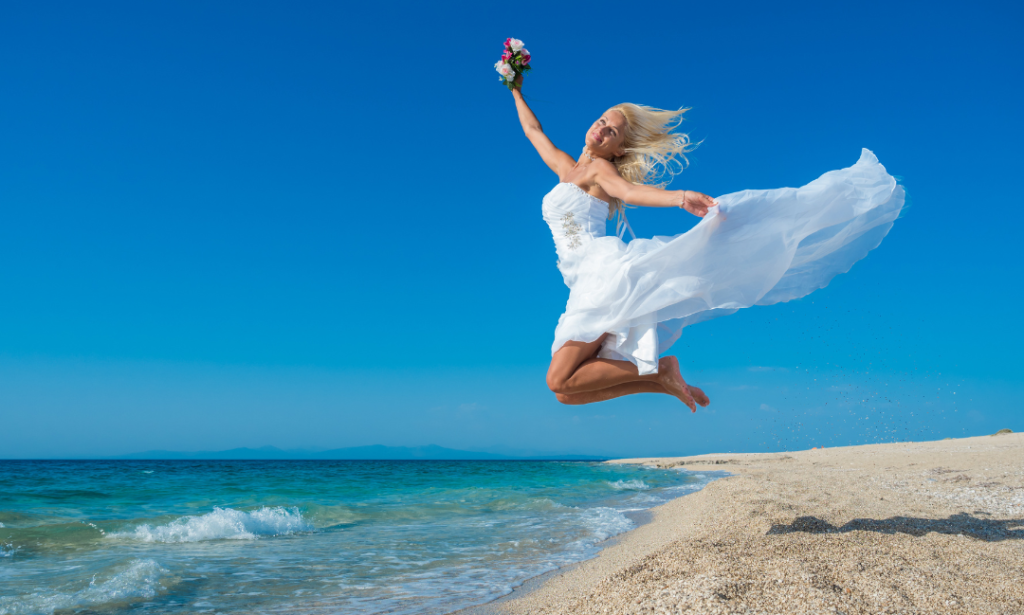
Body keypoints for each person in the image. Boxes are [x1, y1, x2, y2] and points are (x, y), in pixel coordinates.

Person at [509, 75, 904, 412]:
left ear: (618, 149)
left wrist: (679, 196)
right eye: (600, 121)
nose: (601, 129)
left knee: (559, 380)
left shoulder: (600, 169)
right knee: (567, 394)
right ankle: (660, 378)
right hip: (581, 280)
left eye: (611, 130)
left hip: (602, 275)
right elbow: (533, 132)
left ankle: (660, 372)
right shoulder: (567, 168)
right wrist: (515, 88)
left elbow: (629, 191)